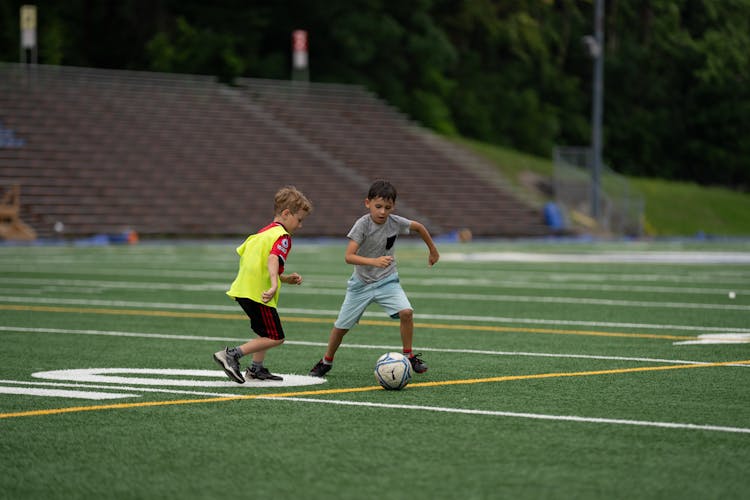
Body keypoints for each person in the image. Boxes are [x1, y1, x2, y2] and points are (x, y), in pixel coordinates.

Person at [309, 180, 439, 377]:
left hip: (388, 280)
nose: (382, 211)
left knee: (406, 312)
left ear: (393, 207)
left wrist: (433, 250)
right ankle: (326, 361)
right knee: (341, 327)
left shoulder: (395, 222)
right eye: (378, 206)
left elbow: (419, 227)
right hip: (361, 284)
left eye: (387, 207)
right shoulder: (362, 225)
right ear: (367, 203)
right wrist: (374, 261)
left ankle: (409, 356)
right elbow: (348, 256)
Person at [213, 186, 312, 383]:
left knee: (264, 332)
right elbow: (273, 259)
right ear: (286, 213)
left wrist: (285, 279)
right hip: (258, 293)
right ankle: (231, 355)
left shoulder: (262, 233)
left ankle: (256, 369)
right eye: (299, 220)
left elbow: (259, 263)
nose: (300, 225)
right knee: (276, 337)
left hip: (245, 290)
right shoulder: (283, 236)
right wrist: (274, 285)